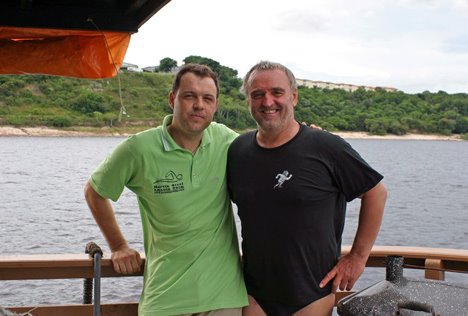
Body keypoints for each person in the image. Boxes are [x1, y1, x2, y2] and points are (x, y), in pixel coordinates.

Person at [84, 64, 248, 316]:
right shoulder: (138, 148)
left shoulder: (226, 140)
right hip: (164, 298)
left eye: (207, 99)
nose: (199, 105)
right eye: (189, 96)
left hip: (223, 297)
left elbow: (270, 152)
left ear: (215, 105)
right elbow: (95, 192)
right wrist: (118, 245)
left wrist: (307, 138)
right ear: (173, 99)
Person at [227, 61, 387, 316]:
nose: (268, 102)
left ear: (294, 97)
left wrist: (357, 257)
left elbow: (376, 192)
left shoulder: (325, 146)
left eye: (277, 92)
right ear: (248, 100)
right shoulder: (237, 150)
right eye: (258, 94)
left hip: (311, 297)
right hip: (253, 296)